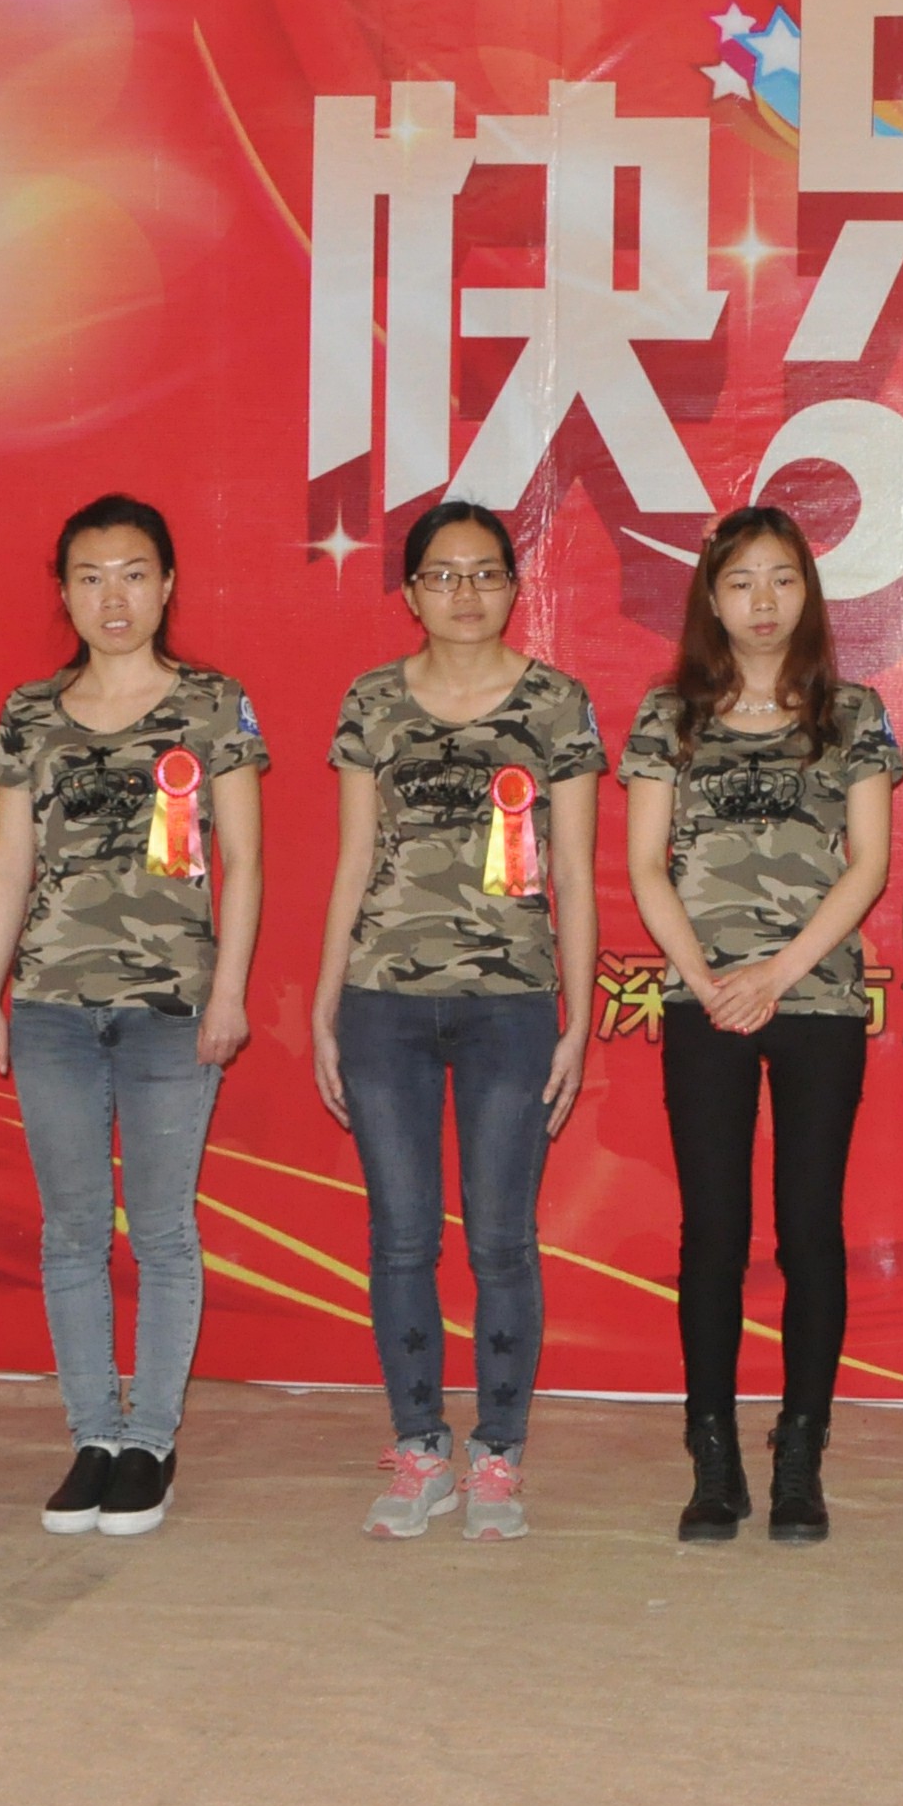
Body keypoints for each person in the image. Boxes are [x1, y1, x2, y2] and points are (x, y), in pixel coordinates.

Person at [0, 494, 265, 1540]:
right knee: (73, 1231)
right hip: (51, 1006)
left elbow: (244, 860)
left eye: (134, 573)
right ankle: (93, 1434)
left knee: (165, 1228)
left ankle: (150, 1441)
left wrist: (228, 990)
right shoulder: (29, 712)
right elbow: (8, 864)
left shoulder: (214, 704)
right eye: (90, 577)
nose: (114, 596)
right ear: (64, 592)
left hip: (172, 1009)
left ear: (167, 584)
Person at [307, 498, 604, 1544]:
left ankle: (499, 1455)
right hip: (383, 1000)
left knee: (500, 1238)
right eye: (442, 574)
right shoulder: (372, 701)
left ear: (514, 588)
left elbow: (574, 873)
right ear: (411, 592)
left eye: (485, 574)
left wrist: (576, 1018)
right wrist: (325, 1003)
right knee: (400, 1237)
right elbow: (353, 859)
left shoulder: (557, 704)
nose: (465, 593)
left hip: (511, 1006)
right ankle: (420, 1447)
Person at [623, 504, 897, 1545]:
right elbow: (647, 865)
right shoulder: (669, 716)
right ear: (711, 597)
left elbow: (868, 864)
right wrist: (706, 980)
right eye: (741, 582)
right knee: (713, 1232)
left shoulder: (852, 712)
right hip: (704, 1001)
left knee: (810, 1227)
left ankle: (799, 1453)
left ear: (808, 591)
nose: (763, 601)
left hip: (817, 998)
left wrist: (777, 974)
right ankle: (714, 1457)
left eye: (782, 578)